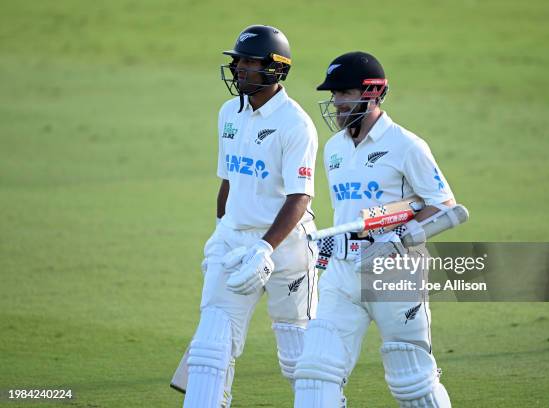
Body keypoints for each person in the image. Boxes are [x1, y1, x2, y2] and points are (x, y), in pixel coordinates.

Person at [293, 51, 454, 407]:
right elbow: (349, 210)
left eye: (343, 93)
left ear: (371, 93)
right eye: (333, 94)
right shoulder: (334, 148)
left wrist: (398, 239)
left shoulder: (405, 144)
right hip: (342, 272)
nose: (335, 102)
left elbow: (443, 205)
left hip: (394, 271)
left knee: (411, 379)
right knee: (315, 371)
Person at [181, 25, 319, 408]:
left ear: (275, 69)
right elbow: (228, 182)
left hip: (287, 249)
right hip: (234, 242)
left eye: (249, 61)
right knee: (210, 348)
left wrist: (264, 248)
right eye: (237, 60)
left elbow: (300, 197)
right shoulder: (229, 112)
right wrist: (221, 230)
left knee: (298, 355)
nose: (239, 67)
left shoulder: (296, 124)